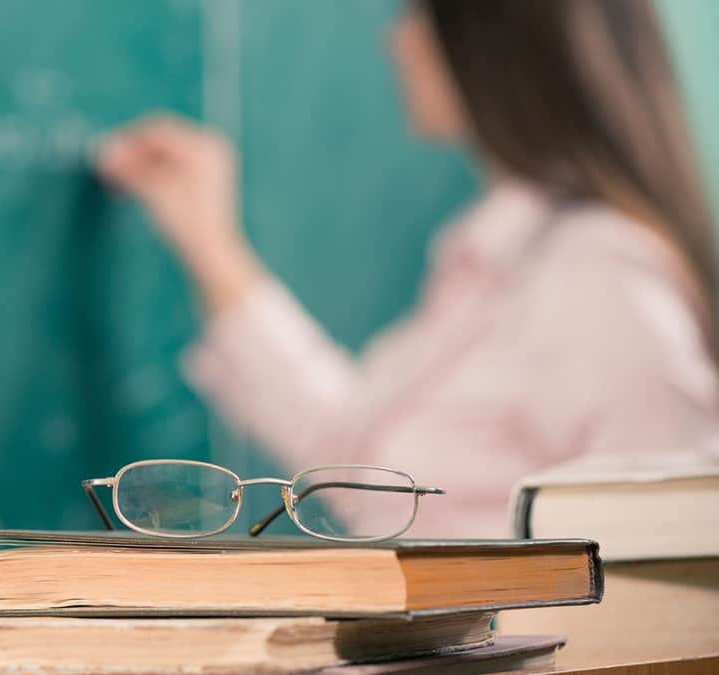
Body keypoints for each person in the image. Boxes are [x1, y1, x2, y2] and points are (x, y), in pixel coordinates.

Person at [94, 0, 719, 537]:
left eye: (420, 12)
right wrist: (212, 246)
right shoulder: (505, 257)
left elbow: (663, 567)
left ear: (492, 44)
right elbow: (362, 467)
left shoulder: (602, 283)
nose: (396, 38)